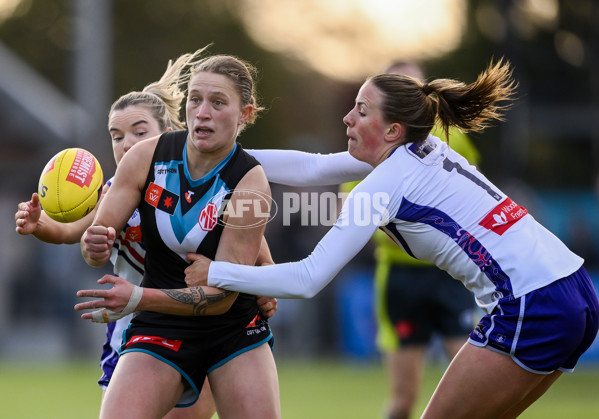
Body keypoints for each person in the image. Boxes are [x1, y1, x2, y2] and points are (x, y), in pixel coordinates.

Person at [177, 59, 598, 418]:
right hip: (573, 289)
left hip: (533, 301)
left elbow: (307, 279)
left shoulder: (381, 188)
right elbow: (315, 168)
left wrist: (218, 272)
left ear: (393, 130)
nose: (348, 118)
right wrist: (217, 158)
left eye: (361, 111)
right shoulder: (423, 147)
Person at [15, 48, 276, 419]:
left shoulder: (250, 182)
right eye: (196, 100)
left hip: (230, 327)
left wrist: (265, 281)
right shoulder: (144, 160)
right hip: (159, 321)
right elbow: (91, 243)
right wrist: (91, 244)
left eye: (218, 102)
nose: (203, 112)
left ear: (245, 114)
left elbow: (225, 293)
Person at [340, 60, 480, 419]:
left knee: (475, 390)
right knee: (404, 400)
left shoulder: (453, 139)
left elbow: (471, 191)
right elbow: (352, 210)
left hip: (450, 274)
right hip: (401, 278)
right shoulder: (367, 150)